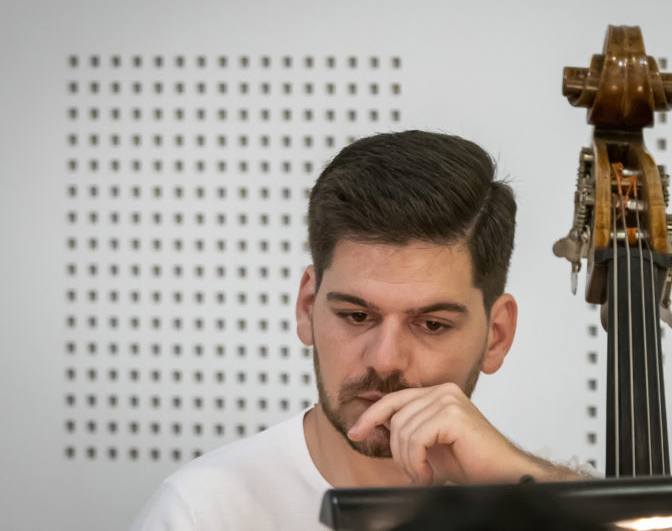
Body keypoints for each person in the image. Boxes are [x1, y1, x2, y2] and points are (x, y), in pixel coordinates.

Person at [129, 130, 581, 530]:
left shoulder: (535, 509)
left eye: (432, 324)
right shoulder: (201, 515)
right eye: (356, 316)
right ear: (307, 307)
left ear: (496, 336)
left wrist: (525, 486)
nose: (384, 359)